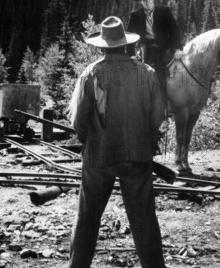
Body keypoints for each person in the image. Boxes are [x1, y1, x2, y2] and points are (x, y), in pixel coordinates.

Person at [69, 16, 167, 268]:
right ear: (125, 43)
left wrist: (88, 144)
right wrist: (143, 140)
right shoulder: (147, 73)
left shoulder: (90, 74)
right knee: (144, 219)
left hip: (99, 157)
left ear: (102, 46)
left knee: (87, 218)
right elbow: (158, 117)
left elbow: (78, 121)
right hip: (137, 157)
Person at [127, 0, 183, 102]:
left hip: (164, 46)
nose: (148, 3)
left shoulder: (164, 11)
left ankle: (164, 105)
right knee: (144, 73)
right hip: (146, 47)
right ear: (141, 3)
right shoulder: (135, 16)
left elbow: (174, 30)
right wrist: (131, 54)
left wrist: (178, 48)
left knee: (164, 72)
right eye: (144, 1)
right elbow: (130, 36)